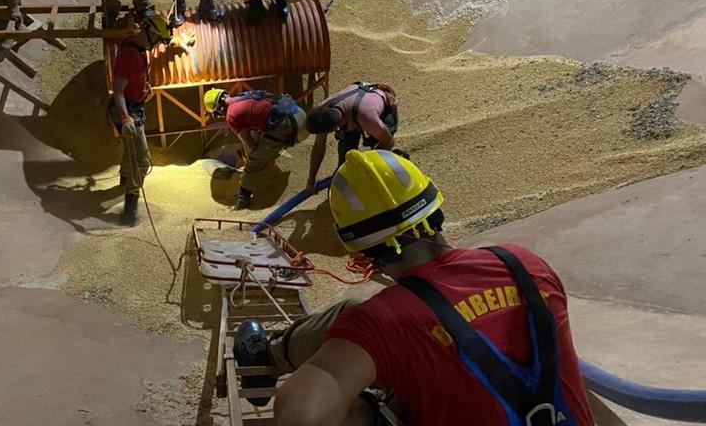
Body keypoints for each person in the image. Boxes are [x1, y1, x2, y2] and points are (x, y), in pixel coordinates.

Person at [232, 150, 596, 426]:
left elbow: (303, 416)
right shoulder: (526, 265)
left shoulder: (383, 322)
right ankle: (271, 354)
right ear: (435, 209)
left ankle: (267, 357)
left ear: (362, 251)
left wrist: (367, 412)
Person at [107, 14, 173, 226]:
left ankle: (124, 183)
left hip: (135, 105)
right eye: (159, 40)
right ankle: (130, 210)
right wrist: (125, 118)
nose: (158, 45)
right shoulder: (131, 55)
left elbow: (136, 76)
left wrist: (144, 88)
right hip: (127, 110)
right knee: (142, 159)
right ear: (151, 33)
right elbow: (118, 90)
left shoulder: (138, 45)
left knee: (130, 150)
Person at [204, 88, 307, 210]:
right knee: (264, 141)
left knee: (255, 160)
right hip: (298, 113)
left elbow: (249, 143)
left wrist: (252, 160)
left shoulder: (231, 115)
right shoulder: (245, 96)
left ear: (218, 110)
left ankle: (243, 197)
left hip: (290, 126)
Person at [304, 82, 399, 193]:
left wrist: (367, 167)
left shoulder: (368, 118)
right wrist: (310, 181)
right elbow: (319, 148)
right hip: (355, 110)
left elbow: (388, 142)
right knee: (345, 158)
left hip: (379, 108)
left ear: (335, 128)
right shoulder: (322, 111)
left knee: (378, 158)